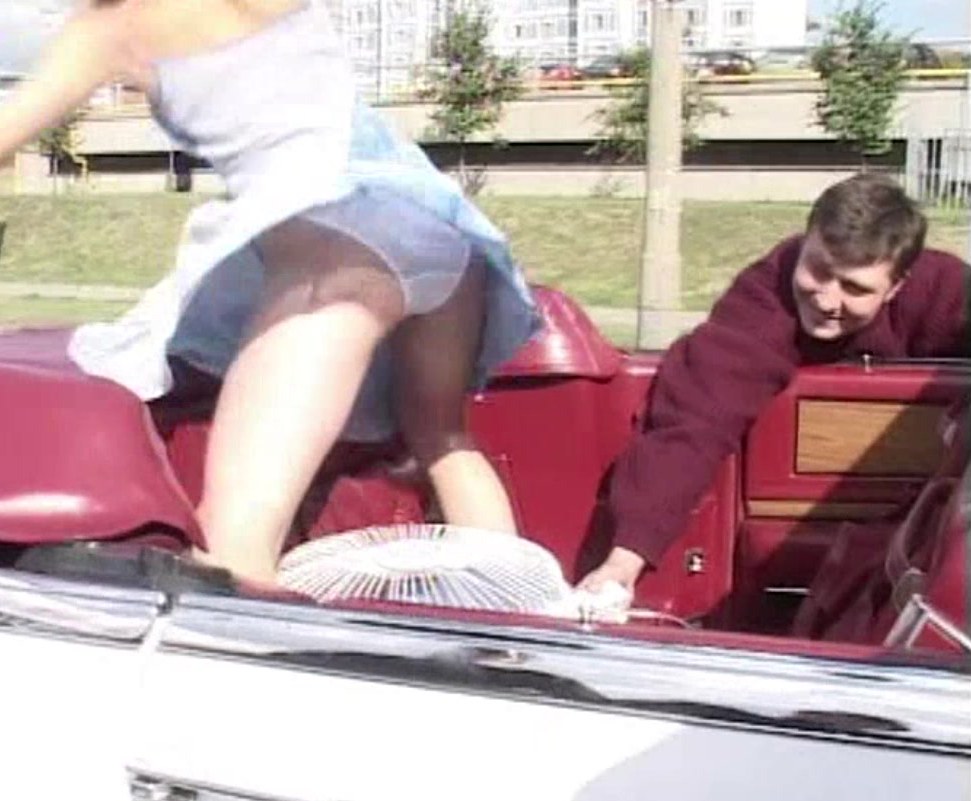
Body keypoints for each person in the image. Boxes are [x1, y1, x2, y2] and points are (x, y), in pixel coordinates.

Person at [0, 0, 541, 583]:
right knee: (445, 440)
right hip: (443, 232)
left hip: (342, 250)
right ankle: (518, 614)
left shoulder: (111, 27)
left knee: (236, 544)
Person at [578, 172, 970, 594]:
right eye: (818, 270)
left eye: (854, 288)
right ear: (805, 241)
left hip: (923, 521)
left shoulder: (945, 290)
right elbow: (695, 417)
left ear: (896, 287)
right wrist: (625, 560)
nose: (826, 299)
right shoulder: (764, 296)